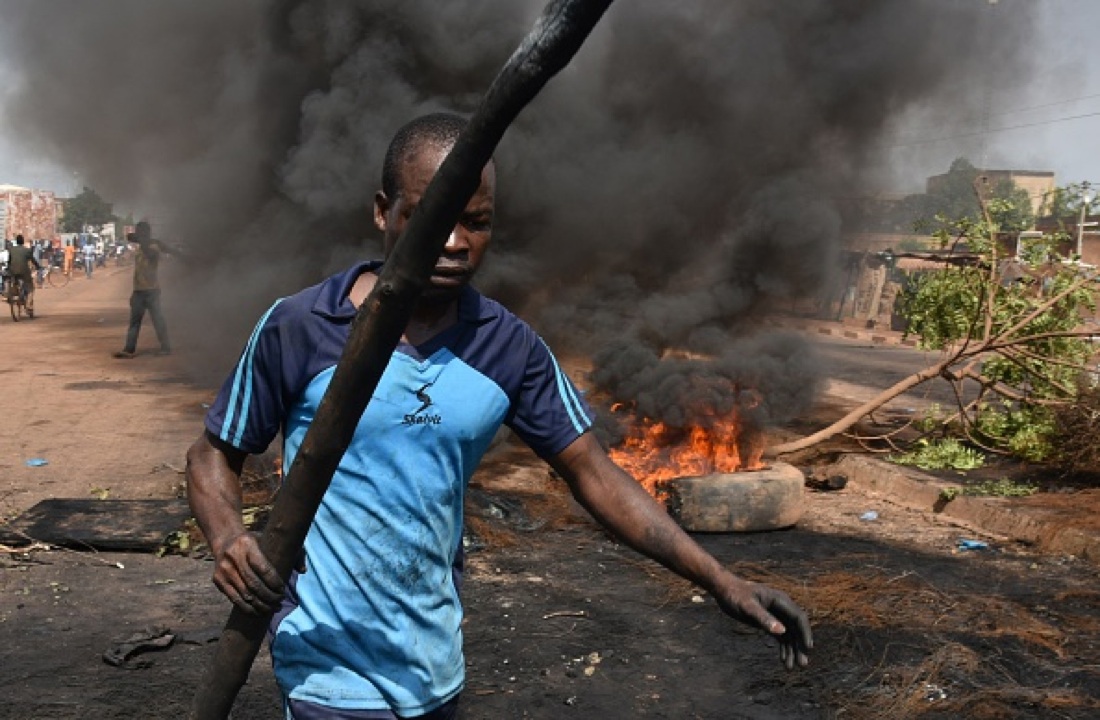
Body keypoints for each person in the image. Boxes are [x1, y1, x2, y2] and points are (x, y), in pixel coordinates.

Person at [186, 113, 812, 719]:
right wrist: (229, 539)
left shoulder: (507, 347)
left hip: (434, 671)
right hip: (326, 670)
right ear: (384, 211)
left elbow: (595, 473)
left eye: (477, 223)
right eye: (435, 218)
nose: (457, 243)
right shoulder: (303, 326)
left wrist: (721, 581)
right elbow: (212, 455)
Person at [113, 221, 172, 358]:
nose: (138, 234)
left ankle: (166, 347)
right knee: (134, 322)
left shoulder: (153, 247)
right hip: (138, 290)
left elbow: (151, 254)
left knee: (158, 320)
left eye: (141, 232)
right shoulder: (142, 245)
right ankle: (129, 349)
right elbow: (129, 236)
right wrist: (139, 238)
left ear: (146, 233)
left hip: (152, 290)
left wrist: (143, 240)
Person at [7, 234, 40, 317]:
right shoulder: (27, 250)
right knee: (31, 288)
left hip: (13, 271)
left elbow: (9, 261)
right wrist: (38, 266)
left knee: (13, 282)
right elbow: (33, 260)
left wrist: (9, 269)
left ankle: (11, 294)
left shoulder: (11, 250)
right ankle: (29, 306)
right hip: (24, 271)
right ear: (22, 242)